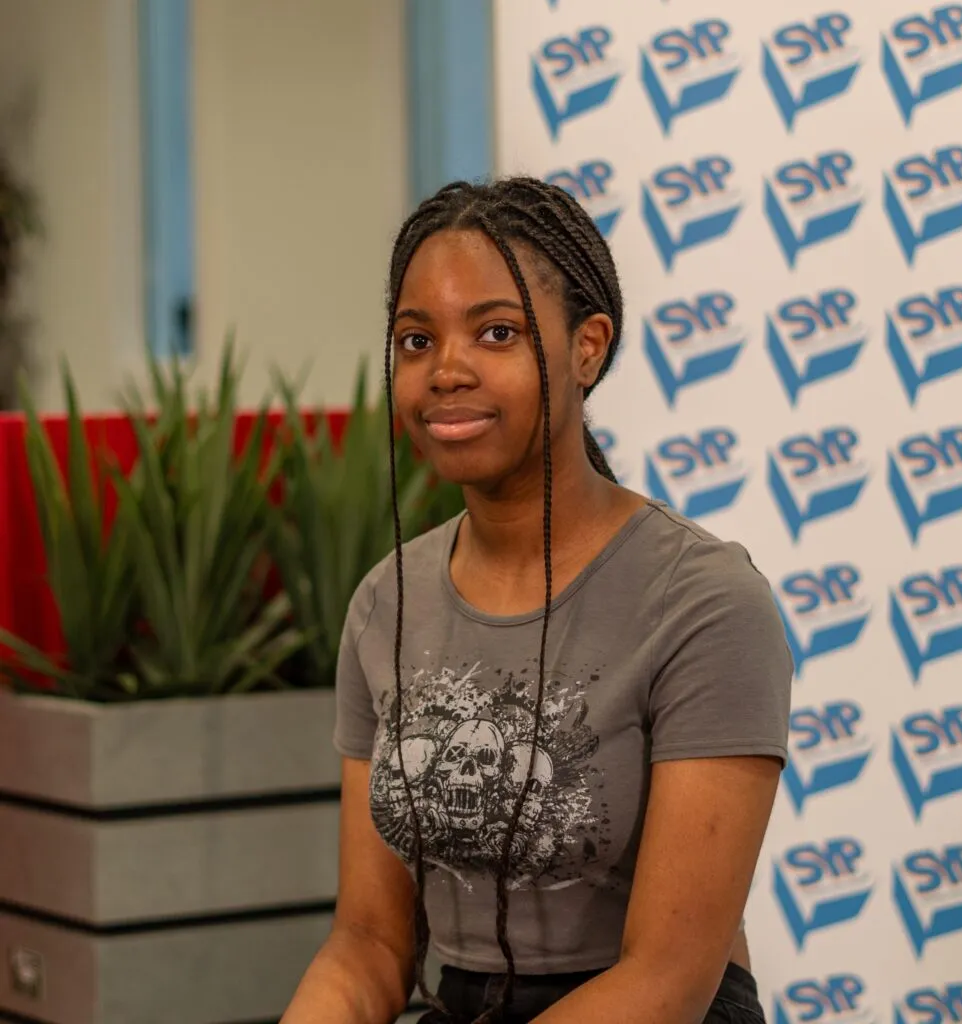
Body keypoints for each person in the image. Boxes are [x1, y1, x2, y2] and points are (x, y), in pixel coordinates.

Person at [281, 177, 794, 1024]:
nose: (446, 370)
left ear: (587, 347)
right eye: (416, 340)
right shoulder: (386, 604)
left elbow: (666, 979)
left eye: (495, 332)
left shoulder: (704, 603)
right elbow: (370, 942)